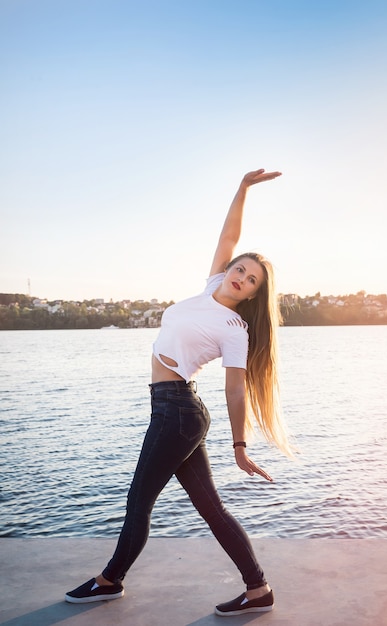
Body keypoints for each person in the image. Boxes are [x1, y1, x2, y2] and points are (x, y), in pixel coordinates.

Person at [65, 168, 295, 616]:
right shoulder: (212, 284)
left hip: (178, 414)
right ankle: (258, 590)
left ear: (252, 296)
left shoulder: (235, 329)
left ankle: (110, 580)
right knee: (211, 509)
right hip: (175, 410)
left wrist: (240, 445)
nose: (241, 277)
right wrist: (242, 189)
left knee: (139, 501)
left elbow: (234, 390)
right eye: (240, 269)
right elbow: (229, 235)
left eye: (250, 281)